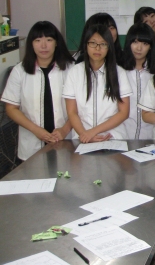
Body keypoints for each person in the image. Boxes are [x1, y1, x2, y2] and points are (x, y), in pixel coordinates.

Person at [2, 21, 74, 161]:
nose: (43, 45)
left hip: (66, 139)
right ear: (31, 44)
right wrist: (36, 130)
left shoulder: (71, 69)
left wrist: (65, 130)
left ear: (56, 43)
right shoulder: (19, 71)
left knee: (65, 172)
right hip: (31, 144)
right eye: (38, 40)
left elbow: (80, 105)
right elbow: (11, 108)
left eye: (49, 40)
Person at [63, 24, 132, 142]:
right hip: (83, 137)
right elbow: (72, 112)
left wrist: (92, 132)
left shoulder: (119, 73)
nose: (97, 48)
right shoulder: (74, 72)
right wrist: (85, 134)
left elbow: (124, 112)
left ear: (109, 47)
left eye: (103, 44)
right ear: (86, 45)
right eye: (93, 43)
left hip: (112, 137)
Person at [121, 22, 155, 140]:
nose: (139, 48)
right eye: (135, 42)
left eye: (145, 43)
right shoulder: (119, 72)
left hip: (151, 137)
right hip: (122, 136)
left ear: (150, 46)